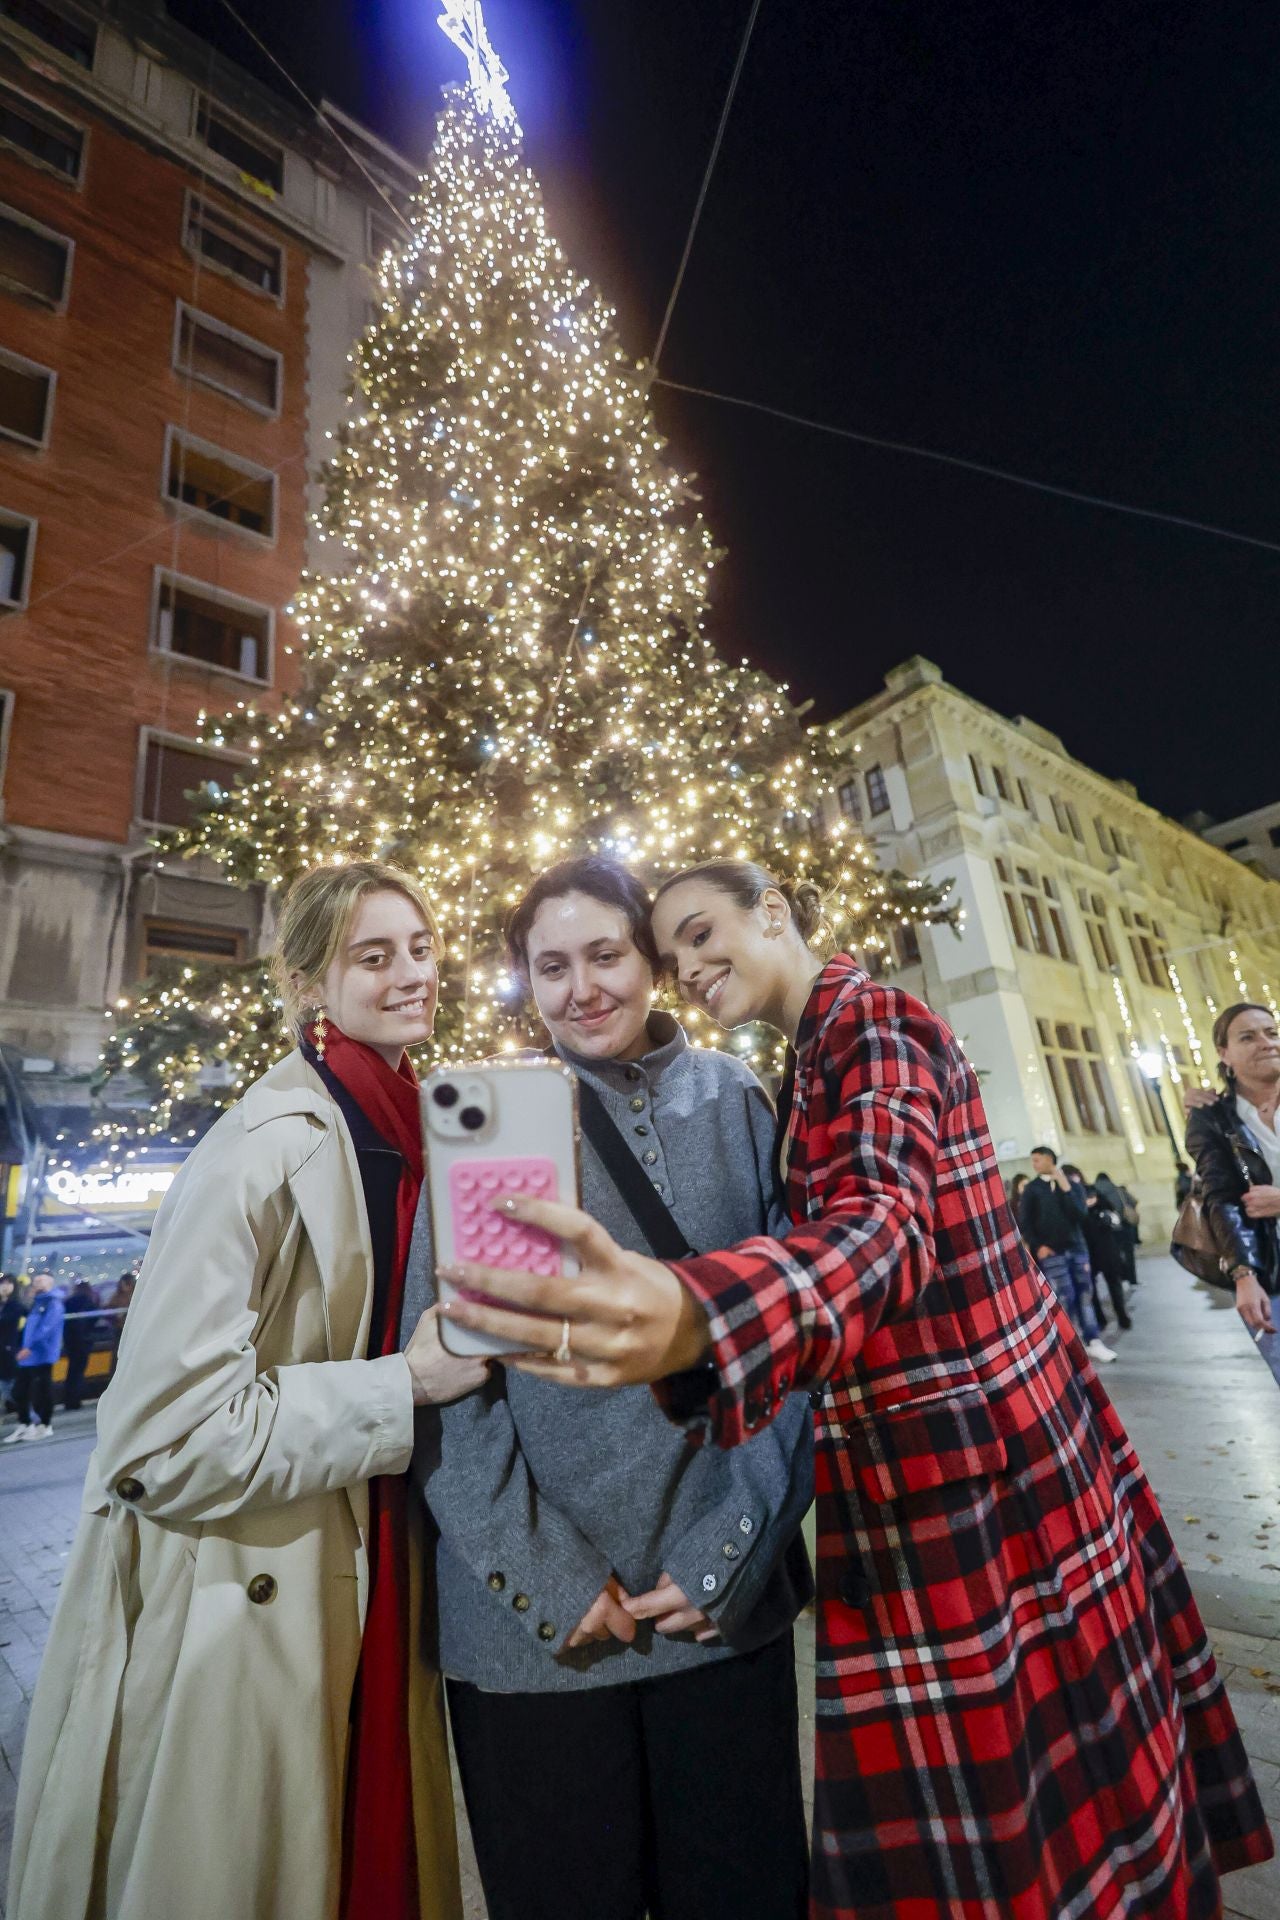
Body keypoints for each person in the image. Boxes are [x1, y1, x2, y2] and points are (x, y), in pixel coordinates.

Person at [441, 858, 1274, 1920]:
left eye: (654, 945)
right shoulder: (803, 1057)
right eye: (551, 966)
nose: (685, 964)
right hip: (935, 1466)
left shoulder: (862, 1033)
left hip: (966, 1469)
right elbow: (462, 1388)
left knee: (1019, 1798)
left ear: (772, 913)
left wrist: (701, 1317)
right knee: (1039, 1789)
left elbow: (875, 1228)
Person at [7, 860, 490, 1920]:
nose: (412, 974)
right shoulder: (262, 1151)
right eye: (374, 956)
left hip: (361, 1564)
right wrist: (402, 1387)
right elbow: (162, 1443)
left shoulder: (416, 1126)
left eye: (420, 947)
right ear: (309, 982)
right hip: (240, 1591)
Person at [409, 856, 812, 1920]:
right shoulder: (483, 1121)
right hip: (543, 1643)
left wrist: (730, 1546)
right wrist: (547, 1578)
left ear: (648, 959)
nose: (581, 988)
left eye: (604, 954)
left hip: (716, 1613)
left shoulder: (737, 1100)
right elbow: (454, 1383)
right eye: (551, 966)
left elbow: (803, 1339)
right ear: (524, 985)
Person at [1184, 1002, 1280, 1339]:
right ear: (1225, 1054)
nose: (1267, 1042)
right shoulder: (1212, 1117)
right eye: (1248, 1037)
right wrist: (1244, 1274)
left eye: (1272, 1033)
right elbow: (1221, 1196)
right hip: (1272, 1271)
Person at [1017, 1146, 1118, 1362]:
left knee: (1085, 1294)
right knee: (1064, 1297)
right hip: (1051, 1252)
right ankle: (1068, 1343)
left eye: (1037, 1159)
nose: (1034, 1164)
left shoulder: (1071, 1185)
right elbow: (1025, 1222)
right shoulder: (1033, 1189)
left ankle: (1092, 1339)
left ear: (1048, 1159)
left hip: (1077, 1248)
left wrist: (1065, 1187)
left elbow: (1080, 1214)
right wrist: (1038, 1246)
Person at [3, 1271, 65, 1443]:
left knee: (41, 1390)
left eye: (41, 1281)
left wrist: (28, 1348)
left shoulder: (52, 1303)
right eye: (36, 1281)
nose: (37, 1284)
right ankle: (29, 1423)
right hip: (31, 1354)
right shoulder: (38, 1302)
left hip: (41, 1354)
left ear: (50, 1283)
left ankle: (43, 1425)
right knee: (22, 1390)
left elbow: (46, 1328)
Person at [60, 1273, 100, 1411]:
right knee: (79, 1371)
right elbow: (94, 1317)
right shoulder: (88, 1302)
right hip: (83, 1342)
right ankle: (74, 1400)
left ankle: (69, 1399)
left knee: (72, 1371)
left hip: (70, 1341)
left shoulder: (68, 1302)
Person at [0, 1272, 21, 1413]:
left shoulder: (15, 1305)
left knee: (8, 1379)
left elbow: (7, 1321)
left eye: (9, 1284)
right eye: (2, 1283)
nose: (5, 1287)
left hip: (8, 1347)